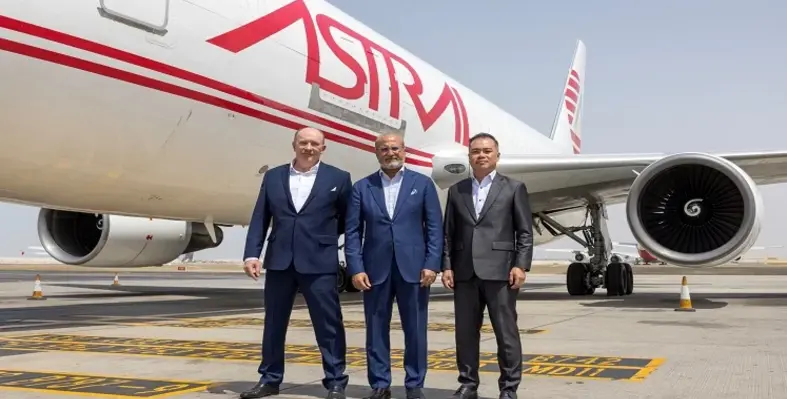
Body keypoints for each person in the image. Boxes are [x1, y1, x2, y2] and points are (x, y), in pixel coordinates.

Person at [241, 127, 353, 399]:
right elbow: (260, 218)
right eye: (303, 142)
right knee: (274, 323)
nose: (309, 147)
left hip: (319, 262)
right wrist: (251, 254)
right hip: (280, 261)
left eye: (315, 143)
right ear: (294, 144)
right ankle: (269, 380)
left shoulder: (339, 178)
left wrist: (323, 240)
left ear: (323, 148)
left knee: (328, 325)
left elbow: (348, 220)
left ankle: (336, 381)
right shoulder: (274, 176)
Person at [344, 132, 443, 399]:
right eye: (384, 149)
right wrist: (356, 267)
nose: (391, 153)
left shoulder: (422, 184)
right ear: (377, 153)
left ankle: (414, 384)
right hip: (374, 271)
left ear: (404, 151)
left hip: (414, 270)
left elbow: (435, 228)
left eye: (395, 148)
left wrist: (432, 264)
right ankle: (379, 383)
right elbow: (352, 232)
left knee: (416, 330)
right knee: (375, 329)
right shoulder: (362, 187)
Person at [441, 132, 533, 399]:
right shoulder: (456, 191)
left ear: (497, 156)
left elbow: (524, 232)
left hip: (501, 271)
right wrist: (446, 265)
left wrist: (521, 265)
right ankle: (468, 383)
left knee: (506, 334)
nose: (481, 155)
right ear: (469, 156)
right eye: (475, 151)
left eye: (487, 151)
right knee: (465, 333)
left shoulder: (514, 188)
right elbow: (449, 233)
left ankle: (509, 387)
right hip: (464, 271)